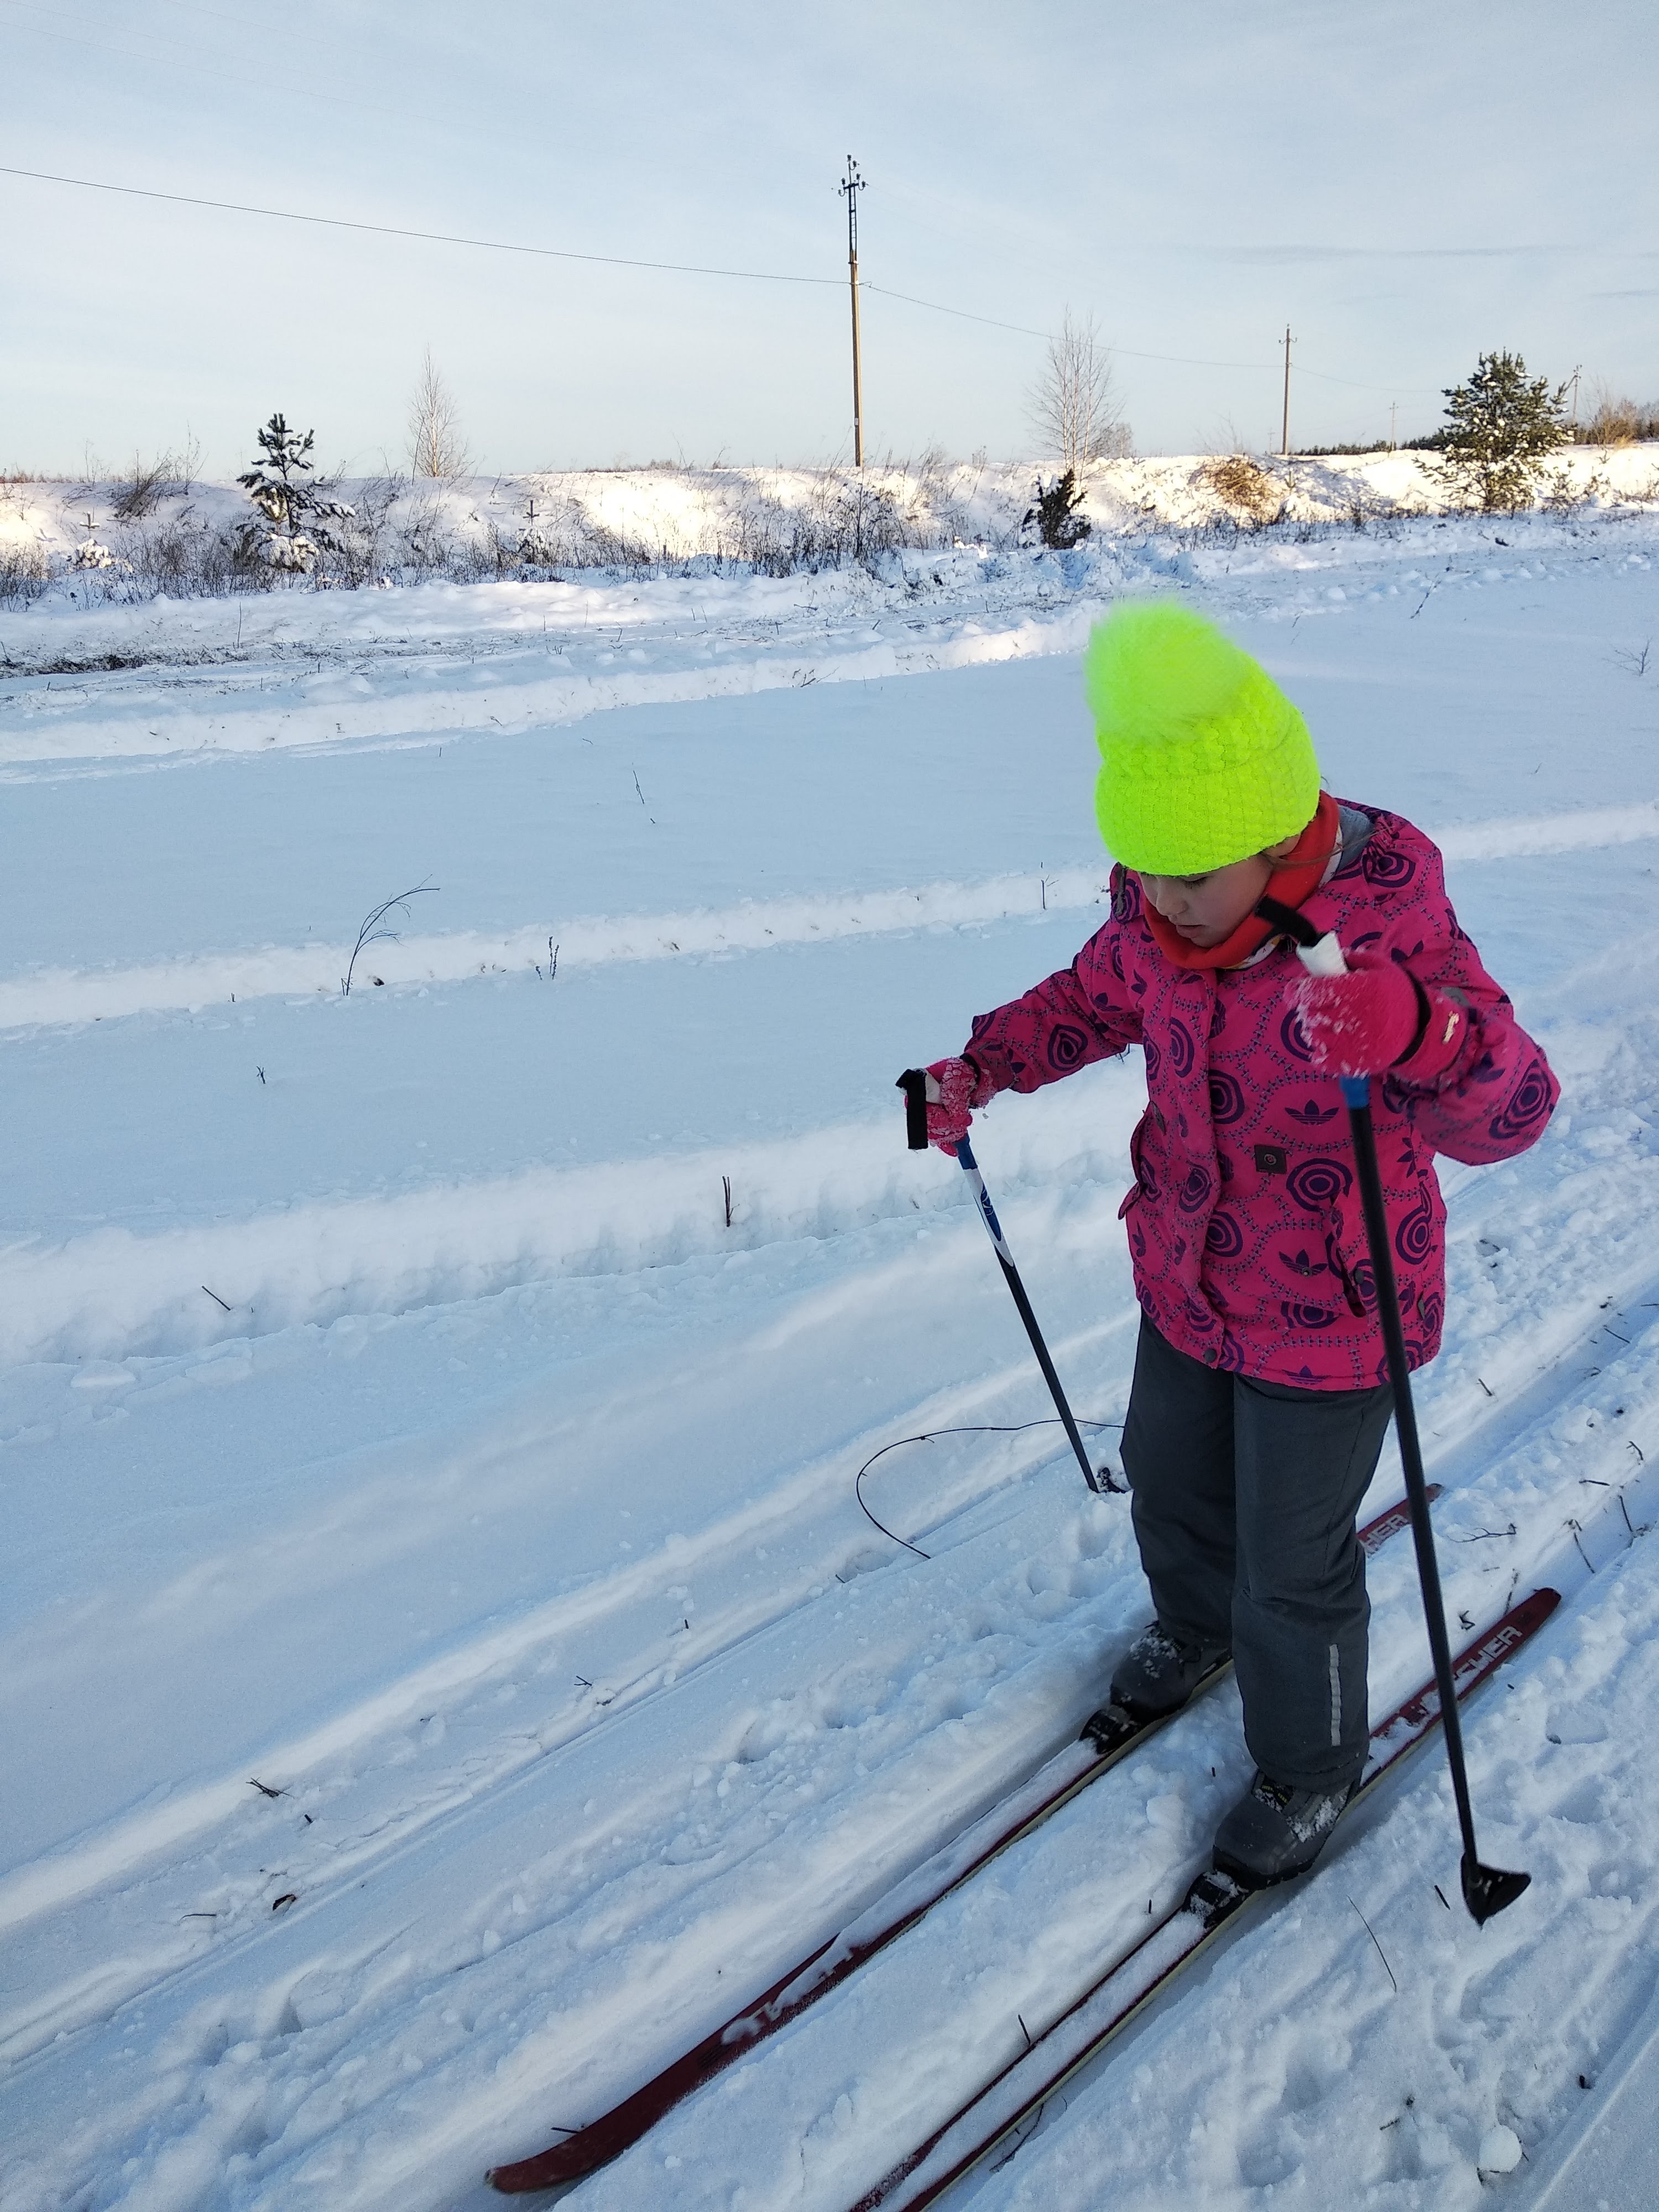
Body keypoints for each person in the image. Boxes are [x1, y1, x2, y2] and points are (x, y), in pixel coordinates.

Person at [912, 601, 1558, 1887]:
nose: (1160, 901)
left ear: (1271, 843)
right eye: (1140, 869)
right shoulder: (1158, 916)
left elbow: (1518, 1109)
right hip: (1189, 1277)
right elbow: (1089, 998)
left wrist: (1420, 1032)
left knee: (1293, 1559)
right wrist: (977, 1065)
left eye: (1188, 876)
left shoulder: (1381, 927)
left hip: (1336, 1312)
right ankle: (1193, 1625)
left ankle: (1310, 1765)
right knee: (1169, 1473)